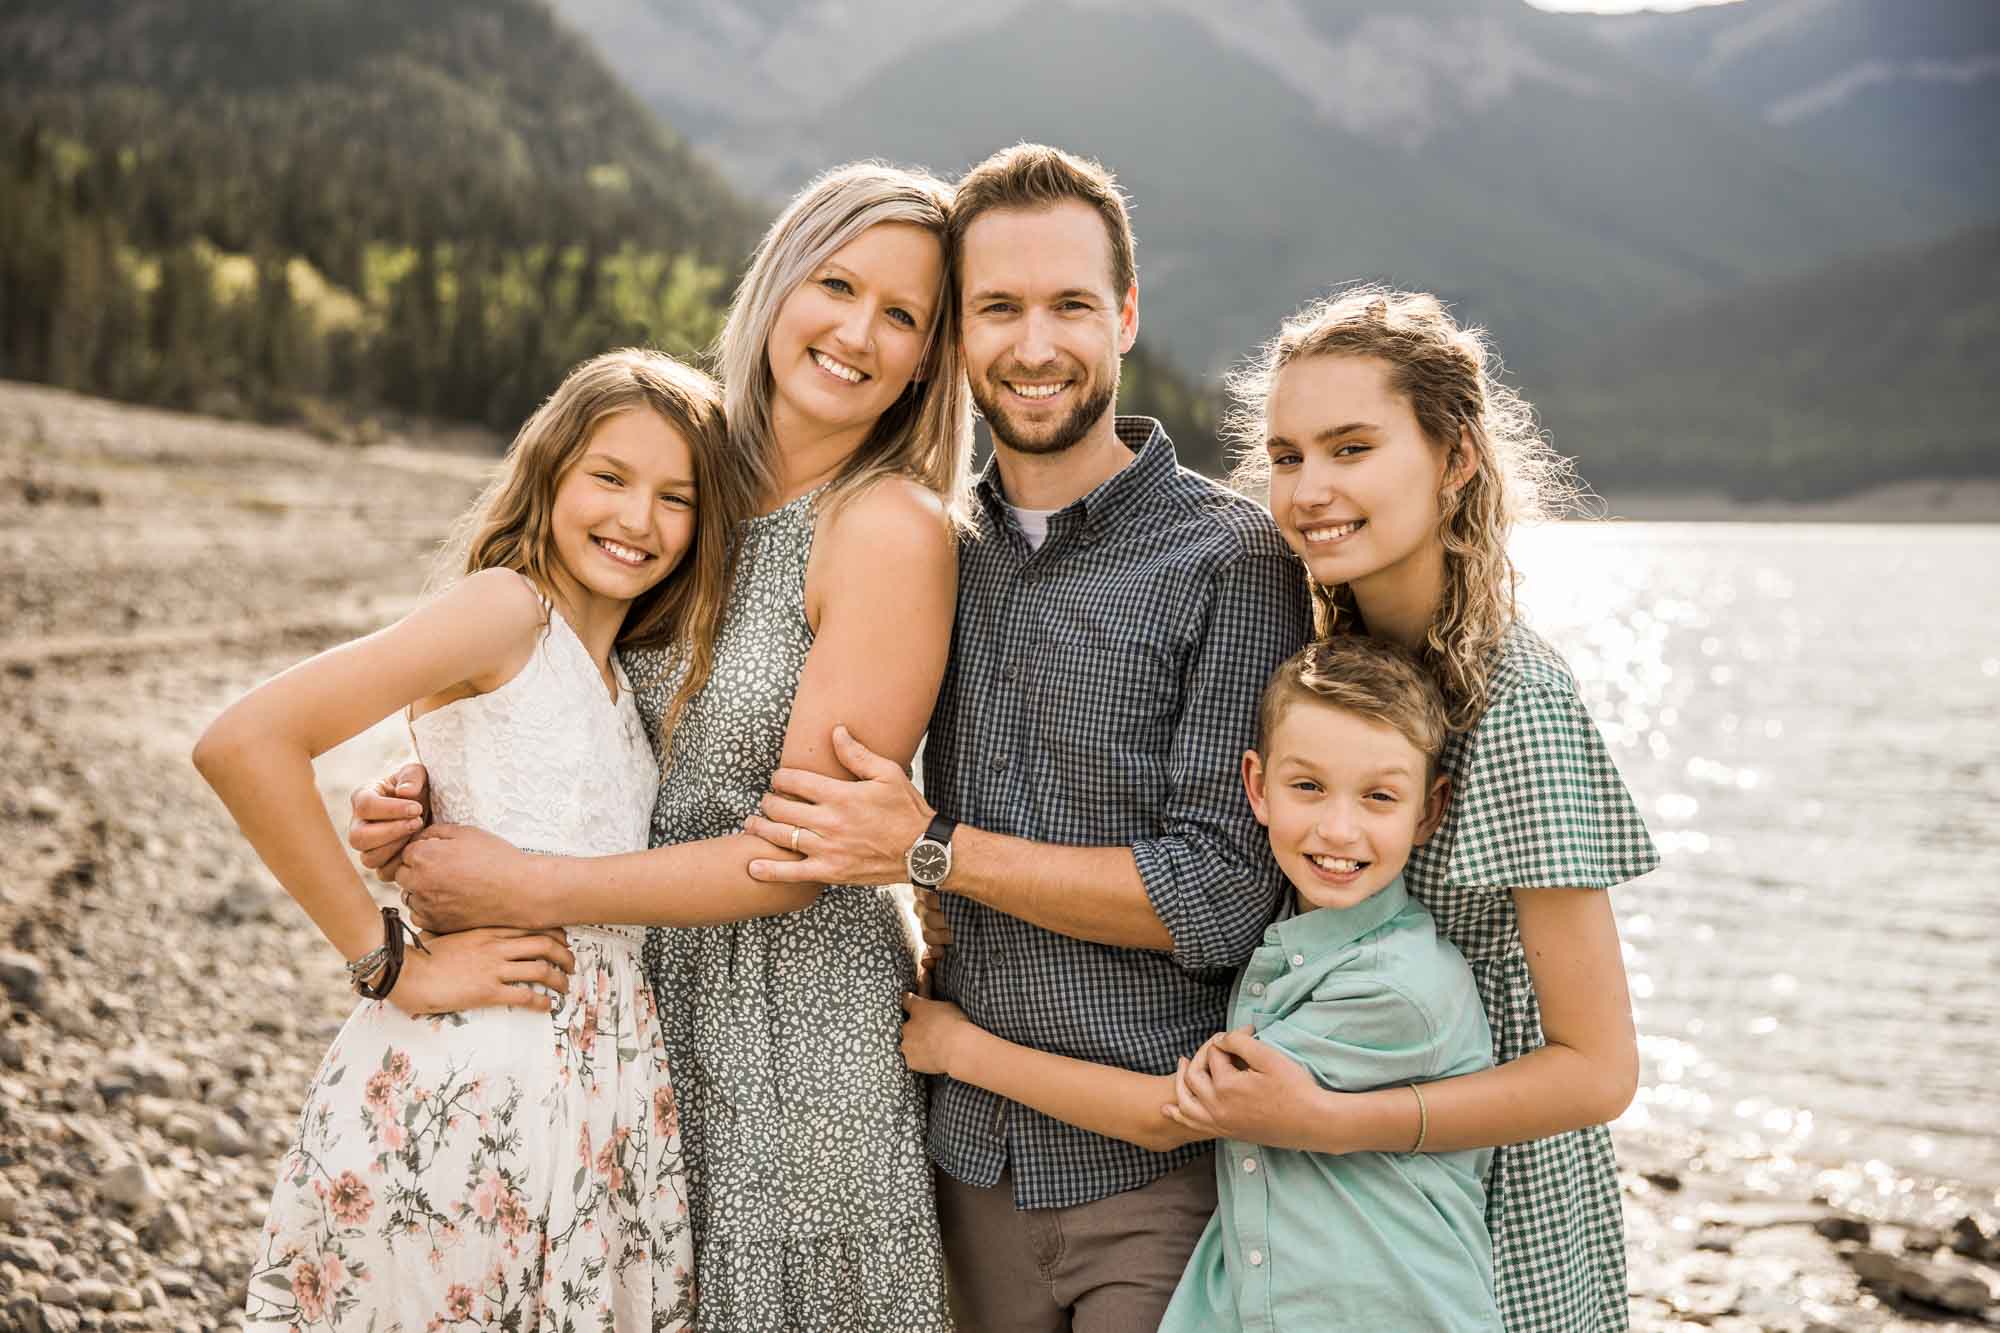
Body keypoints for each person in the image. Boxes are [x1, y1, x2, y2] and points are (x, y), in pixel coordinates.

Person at [346, 163, 971, 1330]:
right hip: (618, 1011)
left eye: (903, 316)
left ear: (932, 358)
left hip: (790, 1038)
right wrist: (432, 790)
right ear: (778, 283)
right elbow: (553, 687)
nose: (856, 332)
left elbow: (805, 852)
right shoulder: (678, 481)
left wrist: (523, 880)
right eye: (835, 284)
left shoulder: (886, 526)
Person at [739, 144, 1311, 1330]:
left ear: (1125, 313)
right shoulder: (929, 545)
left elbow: (1216, 896)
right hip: (957, 1157)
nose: (1033, 345)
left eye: (1068, 306)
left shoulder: (1232, 561)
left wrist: (929, 850)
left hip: (1150, 1172)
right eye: (996, 308)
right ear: (956, 334)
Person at [194, 348, 734, 1330]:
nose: (637, 519)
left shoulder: (624, 674)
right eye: (609, 477)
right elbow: (245, 742)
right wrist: (387, 963)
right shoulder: (506, 609)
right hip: (469, 1084)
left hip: (595, 1099)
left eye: (676, 496)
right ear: (550, 471)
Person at [1151, 286, 1658, 1331]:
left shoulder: (1514, 702)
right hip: (1334, 1230)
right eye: (1286, 457)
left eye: (1349, 448)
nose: (1307, 490)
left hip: (1485, 1219)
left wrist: (1329, 1121)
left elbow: (1596, 1068)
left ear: (1454, 458)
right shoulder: (1328, 669)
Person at [903, 635, 1502, 1330]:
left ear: (1428, 811)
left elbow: (1164, 1113)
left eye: (1379, 797)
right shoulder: (1279, 935)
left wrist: (959, 1050)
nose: (1339, 829)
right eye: (1307, 786)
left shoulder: (1395, 989)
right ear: (1256, 785)